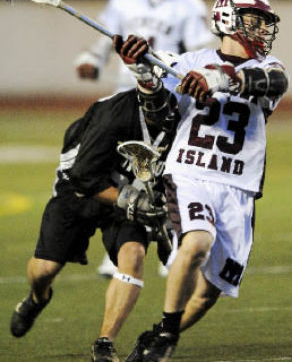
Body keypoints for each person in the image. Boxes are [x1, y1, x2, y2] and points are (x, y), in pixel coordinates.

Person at [113, 0, 289, 362]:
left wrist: (218, 80)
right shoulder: (188, 60)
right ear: (228, 19)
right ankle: (165, 336)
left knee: (211, 292)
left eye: (263, 23)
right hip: (191, 171)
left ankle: (161, 333)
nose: (260, 30)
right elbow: (159, 114)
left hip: (238, 186)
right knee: (196, 243)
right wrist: (144, 74)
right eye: (253, 21)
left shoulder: (270, 66)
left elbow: (272, 84)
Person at [74, 0, 213, 278]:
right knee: (123, 174)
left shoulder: (188, 4)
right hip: (126, 96)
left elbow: (201, 53)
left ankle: (177, 244)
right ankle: (119, 248)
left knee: (171, 171)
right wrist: (92, 59)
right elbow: (106, 39)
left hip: (167, 98)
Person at [9, 80, 179, 362]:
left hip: (131, 194)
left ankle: (104, 343)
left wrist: (169, 224)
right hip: (83, 190)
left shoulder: (181, 120)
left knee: (134, 256)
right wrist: (133, 201)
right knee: (44, 270)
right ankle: (38, 298)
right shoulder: (112, 115)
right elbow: (83, 178)